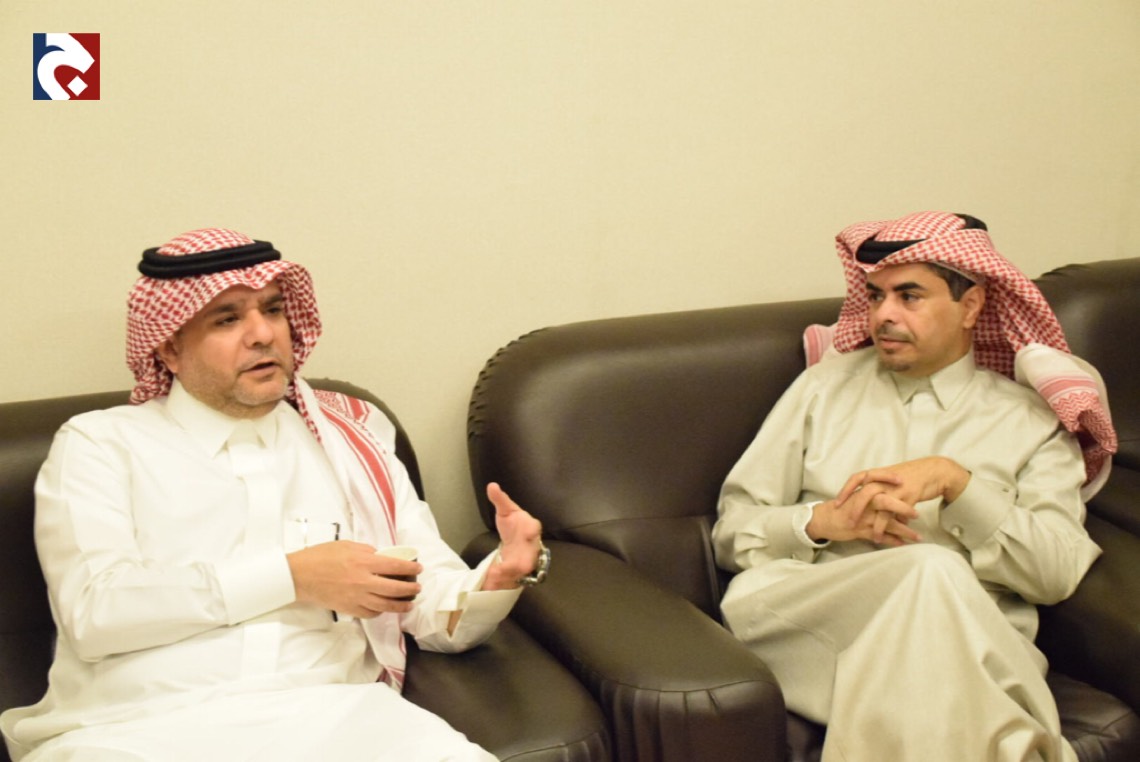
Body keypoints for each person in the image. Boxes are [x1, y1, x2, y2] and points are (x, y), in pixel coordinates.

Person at [0, 228, 551, 761]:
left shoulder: (350, 435)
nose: (263, 334)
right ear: (169, 348)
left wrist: (496, 580)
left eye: (273, 309)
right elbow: (96, 614)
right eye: (227, 318)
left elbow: (424, 602)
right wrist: (292, 577)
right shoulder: (101, 444)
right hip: (138, 728)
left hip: (335, 717)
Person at [711, 211, 1117, 762]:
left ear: (971, 306)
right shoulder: (822, 389)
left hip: (969, 641)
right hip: (805, 616)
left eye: (909, 296)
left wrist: (959, 485)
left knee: (931, 596)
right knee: (931, 569)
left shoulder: (1030, 421)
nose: (884, 315)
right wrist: (822, 522)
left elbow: (1056, 572)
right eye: (875, 296)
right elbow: (732, 532)